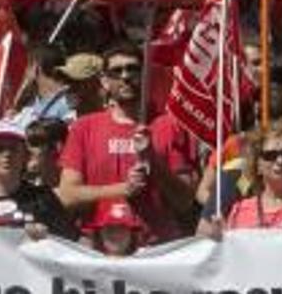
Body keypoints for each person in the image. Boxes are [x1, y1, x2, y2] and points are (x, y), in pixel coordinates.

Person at [57, 43, 192, 246]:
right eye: (116, 71)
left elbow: (185, 200)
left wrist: (152, 159)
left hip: (155, 250)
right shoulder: (83, 128)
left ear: (146, 75)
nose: (126, 76)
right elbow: (68, 195)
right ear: (104, 81)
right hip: (98, 248)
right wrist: (122, 190)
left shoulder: (169, 126)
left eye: (133, 69)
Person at [199, 120, 282, 236]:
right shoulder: (239, 211)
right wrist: (220, 240)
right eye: (270, 155)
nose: (280, 160)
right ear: (258, 165)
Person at [15, 44, 75, 125]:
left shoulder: (68, 102)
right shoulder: (35, 101)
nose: (25, 72)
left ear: (36, 68)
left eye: (28, 66)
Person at [24, 118, 67, 189]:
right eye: (26, 144)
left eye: (35, 144)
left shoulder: (71, 188)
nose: (27, 149)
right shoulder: (22, 184)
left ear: (56, 148)